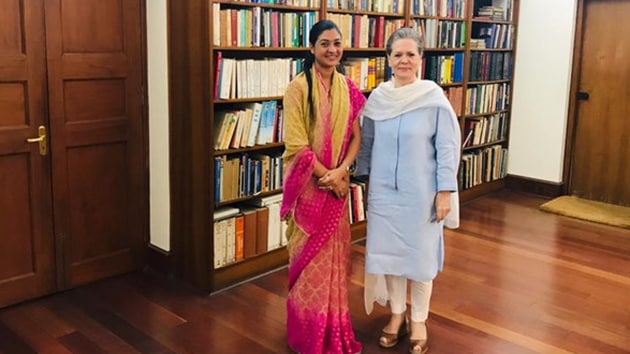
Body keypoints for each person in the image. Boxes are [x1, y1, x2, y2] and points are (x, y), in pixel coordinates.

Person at [354, 27, 461, 354]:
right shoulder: (378, 99)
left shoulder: (432, 98)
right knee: (392, 258)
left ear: (420, 59)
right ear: (388, 59)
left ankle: (419, 320)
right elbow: (367, 144)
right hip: (384, 194)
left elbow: (447, 147)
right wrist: (362, 177)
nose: (403, 60)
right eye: (397, 54)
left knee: (421, 259)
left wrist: (445, 191)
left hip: (422, 195)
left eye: (410, 54)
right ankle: (397, 316)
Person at [280, 19, 366, 354]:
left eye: (337, 43)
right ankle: (307, 336)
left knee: (336, 263)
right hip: (310, 191)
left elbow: (357, 138)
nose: (332, 50)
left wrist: (341, 171)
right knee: (309, 265)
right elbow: (297, 147)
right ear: (312, 48)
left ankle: (333, 331)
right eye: (324, 44)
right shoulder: (298, 89)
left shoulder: (348, 87)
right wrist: (328, 177)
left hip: (337, 185)